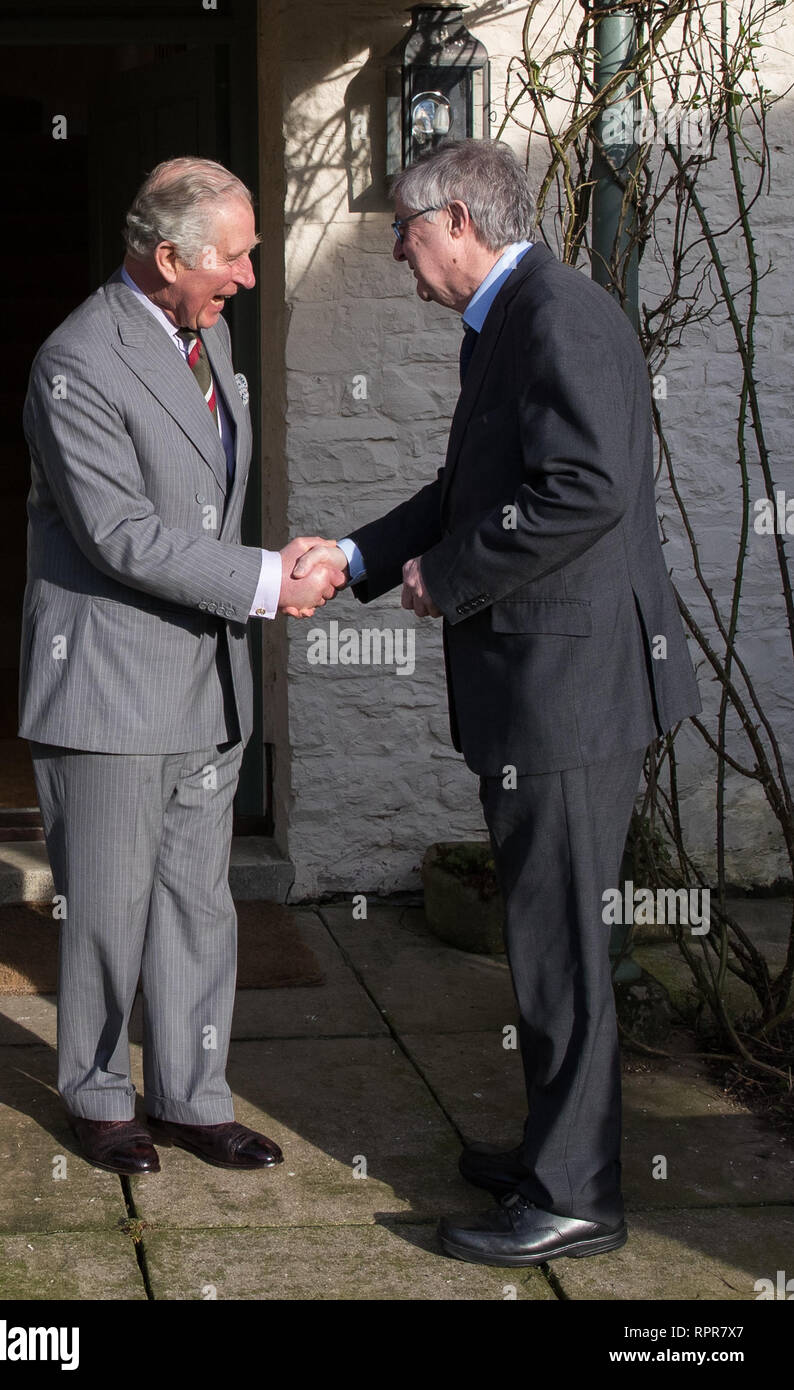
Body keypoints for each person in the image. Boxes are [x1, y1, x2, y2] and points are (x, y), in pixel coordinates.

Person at [295, 139, 701, 1266]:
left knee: (560, 945)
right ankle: (550, 1148)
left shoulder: (551, 314)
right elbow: (469, 489)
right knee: (544, 937)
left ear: (460, 218)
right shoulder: (513, 317)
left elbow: (583, 487)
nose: (395, 253)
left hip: (565, 690)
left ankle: (572, 1193)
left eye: (404, 232)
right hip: (547, 682)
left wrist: (452, 574)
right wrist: (357, 553)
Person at [19, 156, 344, 1177]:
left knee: (200, 906)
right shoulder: (75, 359)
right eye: (235, 257)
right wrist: (264, 581)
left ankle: (195, 1096)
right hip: (111, 684)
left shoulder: (209, 331)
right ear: (166, 256)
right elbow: (118, 533)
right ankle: (100, 1095)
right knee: (108, 910)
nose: (248, 276)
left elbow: (203, 501)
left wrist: (263, 578)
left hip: (208, 680)